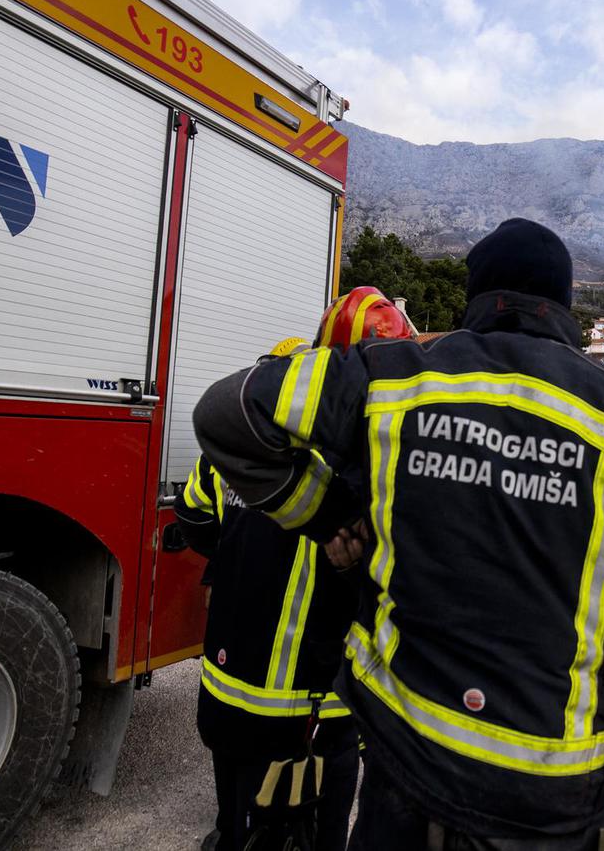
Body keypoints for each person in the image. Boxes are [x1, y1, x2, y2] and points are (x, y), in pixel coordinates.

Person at [192, 219, 604, 848]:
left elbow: (226, 413)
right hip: (550, 790)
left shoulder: (391, 377)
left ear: (474, 298)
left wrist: (323, 515)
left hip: (407, 762)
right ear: (563, 305)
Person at [179, 291, 411, 851]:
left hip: (229, 691)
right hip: (321, 710)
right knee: (323, 835)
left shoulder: (236, 445)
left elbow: (194, 521)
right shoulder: (377, 465)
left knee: (235, 826)